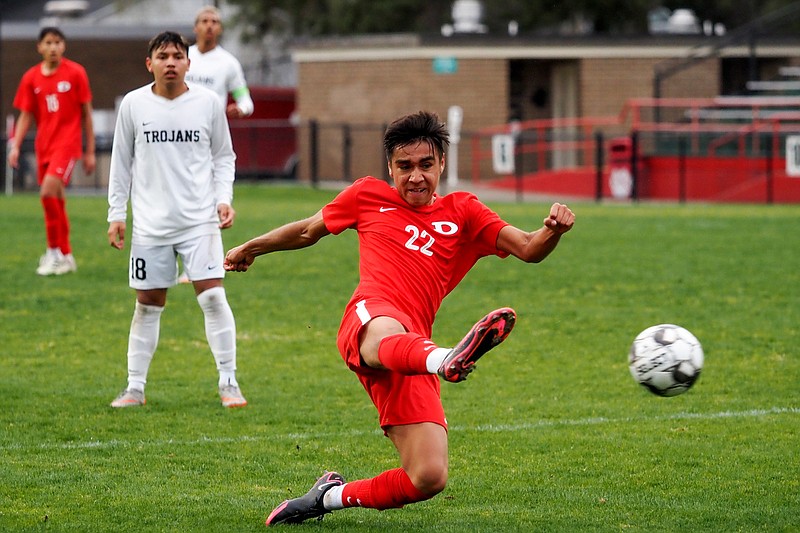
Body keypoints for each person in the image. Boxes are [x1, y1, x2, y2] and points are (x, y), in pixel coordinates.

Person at [224, 110, 575, 525]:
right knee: (387, 330)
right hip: (370, 318)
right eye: (404, 167)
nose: (415, 177)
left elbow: (529, 248)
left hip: (414, 351)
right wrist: (252, 247)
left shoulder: (464, 212)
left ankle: (327, 497)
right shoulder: (367, 195)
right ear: (389, 167)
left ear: (442, 164)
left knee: (428, 476)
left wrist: (552, 229)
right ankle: (446, 360)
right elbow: (306, 231)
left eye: (426, 165)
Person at [106, 31, 246, 409]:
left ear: (188, 63)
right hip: (150, 226)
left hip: (200, 221)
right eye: (163, 56)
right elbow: (121, 163)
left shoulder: (208, 103)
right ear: (149, 63)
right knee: (148, 304)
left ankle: (229, 381)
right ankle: (135, 387)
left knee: (214, 296)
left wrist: (223, 199)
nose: (171, 62)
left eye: (177, 56)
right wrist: (116, 214)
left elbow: (223, 156)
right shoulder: (133, 105)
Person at [7, 27, 96, 276]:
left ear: (64, 46)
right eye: (49, 42)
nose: (54, 47)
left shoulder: (76, 73)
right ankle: (66, 255)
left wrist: (89, 151)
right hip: (43, 147)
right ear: (40, 47)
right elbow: (25, 115)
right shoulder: (31, 78)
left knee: (47, 191)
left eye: (58, 42)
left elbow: (87, 114)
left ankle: (54, 251)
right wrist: (15, 145)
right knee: (55, 200)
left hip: (67, 145)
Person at [185, 5, 254, 120]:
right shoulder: (183, 57)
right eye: (204, 21)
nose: (209, 25)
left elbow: (245, 99)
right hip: (183, 127)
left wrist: (241, 109)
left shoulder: (229, 63)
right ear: (195, 28)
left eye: (214, 22)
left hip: (212, 129)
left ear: (220, 29)